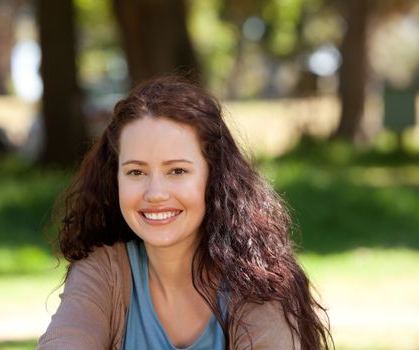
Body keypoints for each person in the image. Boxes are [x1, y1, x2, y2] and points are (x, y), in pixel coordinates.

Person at [37, 76, 331, 350]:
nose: (155, 193)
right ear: (114, 179)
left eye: (177, 170)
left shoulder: (258, 277)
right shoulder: (103, 271)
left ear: (214, 176)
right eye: (136, 172)